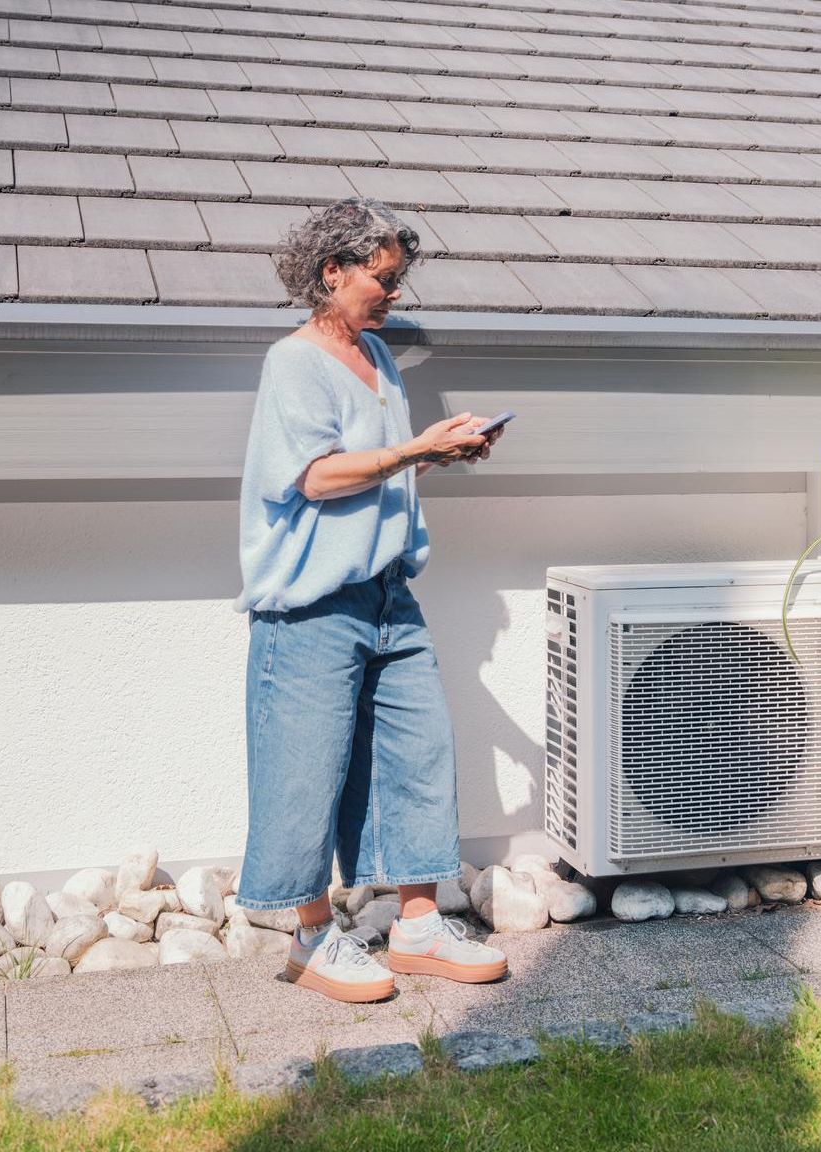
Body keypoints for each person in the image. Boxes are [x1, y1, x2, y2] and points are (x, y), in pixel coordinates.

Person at [232, 197, 509, 1003]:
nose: (394, 294)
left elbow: (376, 471)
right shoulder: (294, 362)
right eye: (383, 279)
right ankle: (312, 939)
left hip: (388, 594)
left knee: (419, 751)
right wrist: (414, 447)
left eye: (399, 279)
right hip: (313, 605)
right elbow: (316, 476)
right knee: (305, 770)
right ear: (333, 272)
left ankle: (418, 925)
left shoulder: (379, 361)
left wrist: (439, 455)